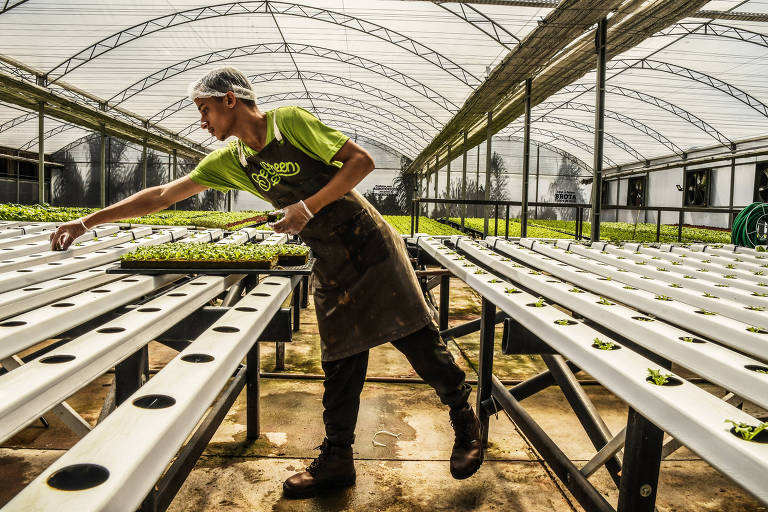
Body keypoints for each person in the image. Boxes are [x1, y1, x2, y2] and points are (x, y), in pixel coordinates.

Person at [49, 66, 484, 498]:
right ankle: (337, 460)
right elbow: (162, 197)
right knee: (339, 361)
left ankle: (467, 424)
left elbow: (360, 162)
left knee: (420, 346)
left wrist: (306, 208)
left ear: (229, 100)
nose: (202, 121)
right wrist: (89, 220)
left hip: (372, 247)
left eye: (205, 110)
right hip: (331, 260)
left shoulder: (288, 123)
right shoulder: (230, 160)